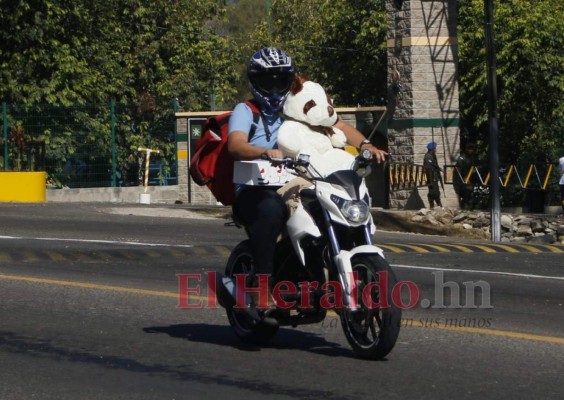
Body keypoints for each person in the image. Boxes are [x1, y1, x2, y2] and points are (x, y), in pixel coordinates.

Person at [226, 47, 387, 311]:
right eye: (269, 80)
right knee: (271, 210)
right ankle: (262, 286)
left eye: (282, 80)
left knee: (328, 208)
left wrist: (366, 145)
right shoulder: (246, 111)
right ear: (256, 82)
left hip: (299, 182)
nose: (276, 87)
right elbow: (235, 145)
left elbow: (340, 126)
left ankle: (324, 277)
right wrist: (265, 152)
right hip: (256, 187)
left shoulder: (296, 107)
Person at [454, 143, 475, 209]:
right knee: (466, 193)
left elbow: (472, 168)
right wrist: (464, 178)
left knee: (470, 194)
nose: (471, 151)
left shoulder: (471, 158)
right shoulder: (461, 158)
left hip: (469, 179)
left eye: (472, 149)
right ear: (466, 149)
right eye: (469, 149)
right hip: (462, 179)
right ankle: (465, 208)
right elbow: (458, 171)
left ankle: (469, 209)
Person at [424, 141, 443, 208]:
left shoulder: (433, 156)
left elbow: (435, 166)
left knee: (436, 192)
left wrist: (439, 169)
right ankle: (434, 205)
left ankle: (438, 205)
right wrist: (430, 180)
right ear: (432, 149)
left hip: (435, 177)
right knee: (433, 193)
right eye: (435, 148)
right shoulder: (428, 157)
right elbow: (428, 169)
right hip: (431, 178)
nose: (436, 149)